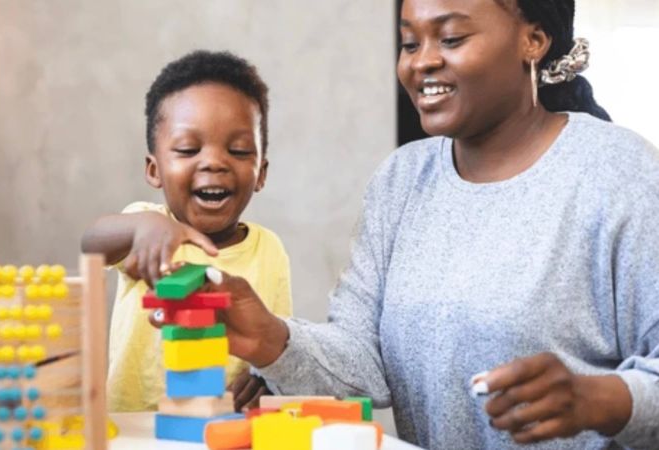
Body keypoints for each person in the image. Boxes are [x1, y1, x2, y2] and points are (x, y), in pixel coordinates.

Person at [190, 0, 659, 448]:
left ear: (533, 40)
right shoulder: (402, 180)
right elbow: (362, 365)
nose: (422, 63)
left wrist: (599, 398)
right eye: (410, 43)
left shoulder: (618, 172)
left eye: (451, 38)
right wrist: (271, 338)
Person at [81, 50, 292, 412]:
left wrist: (265, 379)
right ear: (154, 169)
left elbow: (278, 343)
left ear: (261, 173)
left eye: (239, 151)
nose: (214, 162)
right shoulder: (144, 224)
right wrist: (142, 229)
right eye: (188, 149)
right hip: (133, 431)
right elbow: (91, 243)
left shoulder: (269, 250)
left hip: (220, 430)